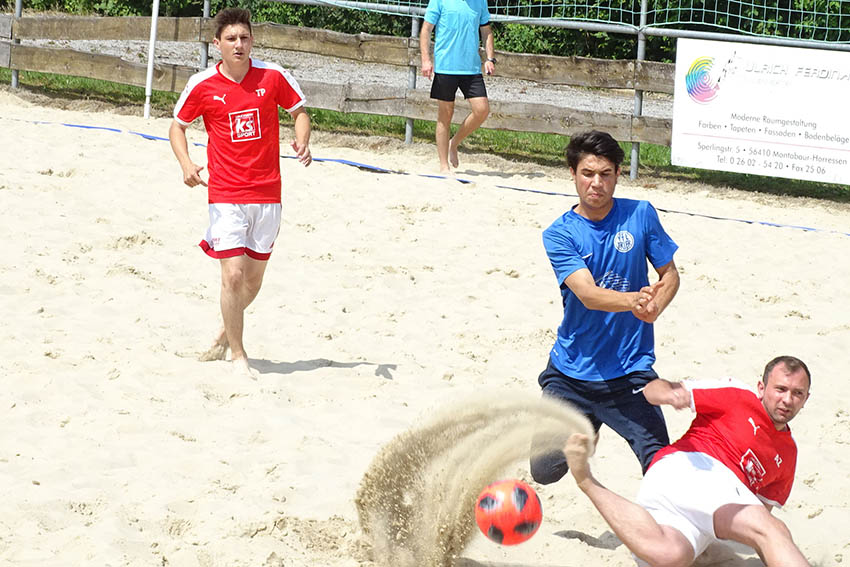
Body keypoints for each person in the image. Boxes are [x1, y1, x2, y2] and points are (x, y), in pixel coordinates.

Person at [168, 7, 312, 377]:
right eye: (231, 38)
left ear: (252, 41)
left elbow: (300, 111)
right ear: (217, 44)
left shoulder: (272, 75)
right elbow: (177, 127)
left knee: (251, 281)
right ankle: (239, 356)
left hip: (267, 193)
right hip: (225, 193)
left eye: (244, 37)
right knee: (232, 275)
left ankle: (223, 334)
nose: (238, 44)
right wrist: (186, 164)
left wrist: (302, 141)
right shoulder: (202, 84)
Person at [530, 130, 680, 484]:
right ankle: (589, 425)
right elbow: (588, 294)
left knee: (664, 470)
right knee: (544, 471)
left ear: (617, 174)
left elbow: (670, 273)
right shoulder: (559, 233)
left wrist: (657, 303)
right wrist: (635, 301)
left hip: (630, 372)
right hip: (571, 374)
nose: (596, 183)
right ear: (572, 173)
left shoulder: (641, 214)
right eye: (588, 173)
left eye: (605, 174)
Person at [564, 355, 812, 567]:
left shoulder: (788, 455)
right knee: (773, 530)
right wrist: (669, 395)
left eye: (797, 393)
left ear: (806, 399)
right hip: (692, 467)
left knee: (670, 555)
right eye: (780, 389)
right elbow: (654, 390)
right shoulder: (738, 396)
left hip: (709, 513)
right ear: (761, 387)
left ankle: (585, 479)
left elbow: (760, 514)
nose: (787, 400)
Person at [419, 0, 496, 173]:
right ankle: (443, 166)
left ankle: (454, 143)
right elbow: (426, 30)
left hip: (471, 68)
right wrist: (426, 60)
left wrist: (490, 58)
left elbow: (486, 31)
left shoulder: (479, 2)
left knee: (482, 110)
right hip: (446, 66)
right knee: (445, 114)